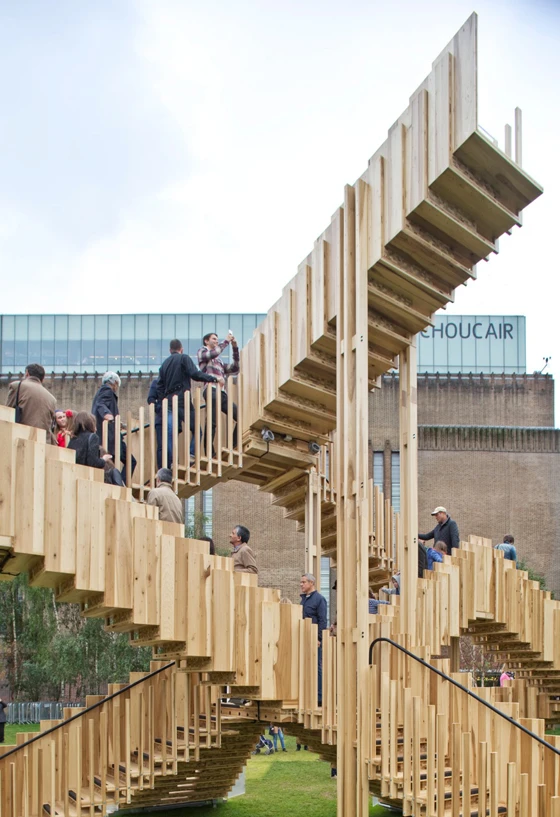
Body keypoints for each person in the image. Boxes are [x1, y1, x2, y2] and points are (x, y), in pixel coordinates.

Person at [155, 339, 220, 467]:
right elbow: (194, 374)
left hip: (169, 402)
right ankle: (191, 454)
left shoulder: (164, 365)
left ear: (170, 350)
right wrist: (212, 378)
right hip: (183, 401)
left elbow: (159, 387)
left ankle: (170, 463)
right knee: (197, 430)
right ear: (181, 349)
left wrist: (164, 401)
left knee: (170, 433)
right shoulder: (184, 358)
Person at [197, 331, 240, 455]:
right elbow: (214, 353)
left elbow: (235, 368)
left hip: (222, 393)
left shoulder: (219, 362)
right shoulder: (202, 352)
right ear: (206, 341)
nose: (216, 341)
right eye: (214, 339)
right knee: (212, 421)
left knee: (239, 416)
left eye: (217, 339)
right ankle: (209, 453)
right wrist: (226, 341)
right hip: (211, 389)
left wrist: (235, 348)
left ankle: (234, 445)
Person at [91, 372, 136, 483]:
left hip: (110, 437)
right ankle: (120, 484)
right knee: (129, 462)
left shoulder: (101, 392)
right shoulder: (106, 390)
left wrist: (118, 423)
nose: (117, 388)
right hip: (110, 439)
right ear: (115, 382)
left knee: (118, 465)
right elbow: (101, 404)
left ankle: (119, 483)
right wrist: (108, 415)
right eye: (117, 385)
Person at [6, 364, 57, 443]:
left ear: (27, 373)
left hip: (19, 439)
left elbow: (7, 413)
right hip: (42, 443)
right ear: (42, 379)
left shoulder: (17, 386)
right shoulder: (52, 399)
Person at [300, 573, 328, 707]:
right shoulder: (303, 599)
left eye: (304, 582)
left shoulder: (319, 599)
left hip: (314, 638)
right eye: (301, 582)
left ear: (311, 583)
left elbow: (322, 620)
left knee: (316, 667)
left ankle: (319, 697)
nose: (301, 584)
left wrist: (319, 638)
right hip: (303, 637)